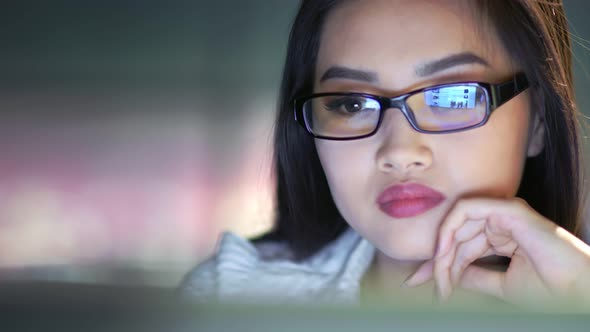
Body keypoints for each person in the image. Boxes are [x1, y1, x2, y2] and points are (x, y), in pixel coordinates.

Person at [180, 0, 590, 310]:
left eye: (451, 96)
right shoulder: (234, 297)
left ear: (538, 122)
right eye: (351, 104)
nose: (399, 152)